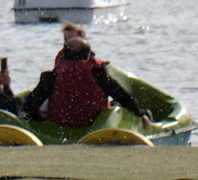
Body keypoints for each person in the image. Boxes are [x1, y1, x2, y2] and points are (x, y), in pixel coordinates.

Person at [25, 24, 153, 127]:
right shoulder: (97, 72)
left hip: (61, 121)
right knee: (117, 102)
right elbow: (120, 94)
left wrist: (37, 119)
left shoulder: (53, 75)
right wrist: (139, 113)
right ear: (88, 55)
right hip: (93, 122)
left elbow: (30, 105)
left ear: (64, 54)